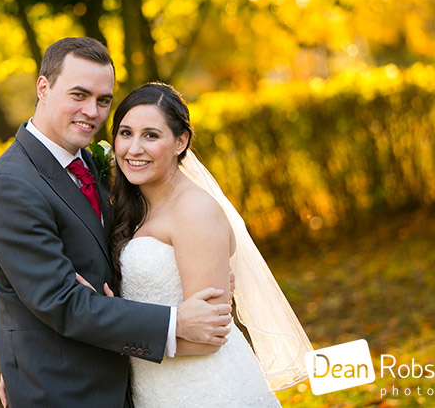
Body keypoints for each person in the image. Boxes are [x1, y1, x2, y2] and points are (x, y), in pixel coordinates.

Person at [0, 38, 233, 408]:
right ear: (43, 88)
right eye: (79, 95)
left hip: (130, 380)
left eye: (103, 100)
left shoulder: (93, 165)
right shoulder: (12, 187)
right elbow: (61, 302)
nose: (92, 112)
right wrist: (175, 322)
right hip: (63, 390)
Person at [79, 82, 312, 407]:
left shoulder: (195, 211)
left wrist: (116, 333)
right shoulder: (133, 207)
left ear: (181, 141)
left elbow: (209, 339)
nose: (133, 149)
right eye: (125, 133)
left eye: (151, 135)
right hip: (156, 388)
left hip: (207, 390)